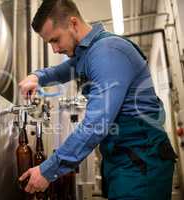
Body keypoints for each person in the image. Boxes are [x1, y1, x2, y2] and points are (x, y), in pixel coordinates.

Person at [18, 0, 177, 199]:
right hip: (123, 158)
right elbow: (62, 71)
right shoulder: (88, 53)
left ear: (73, 23)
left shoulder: (107, 52)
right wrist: (37, 77)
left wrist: (48, 170)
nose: (54, 50)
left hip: (141, 162)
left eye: (55, 40)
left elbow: (95, 125)